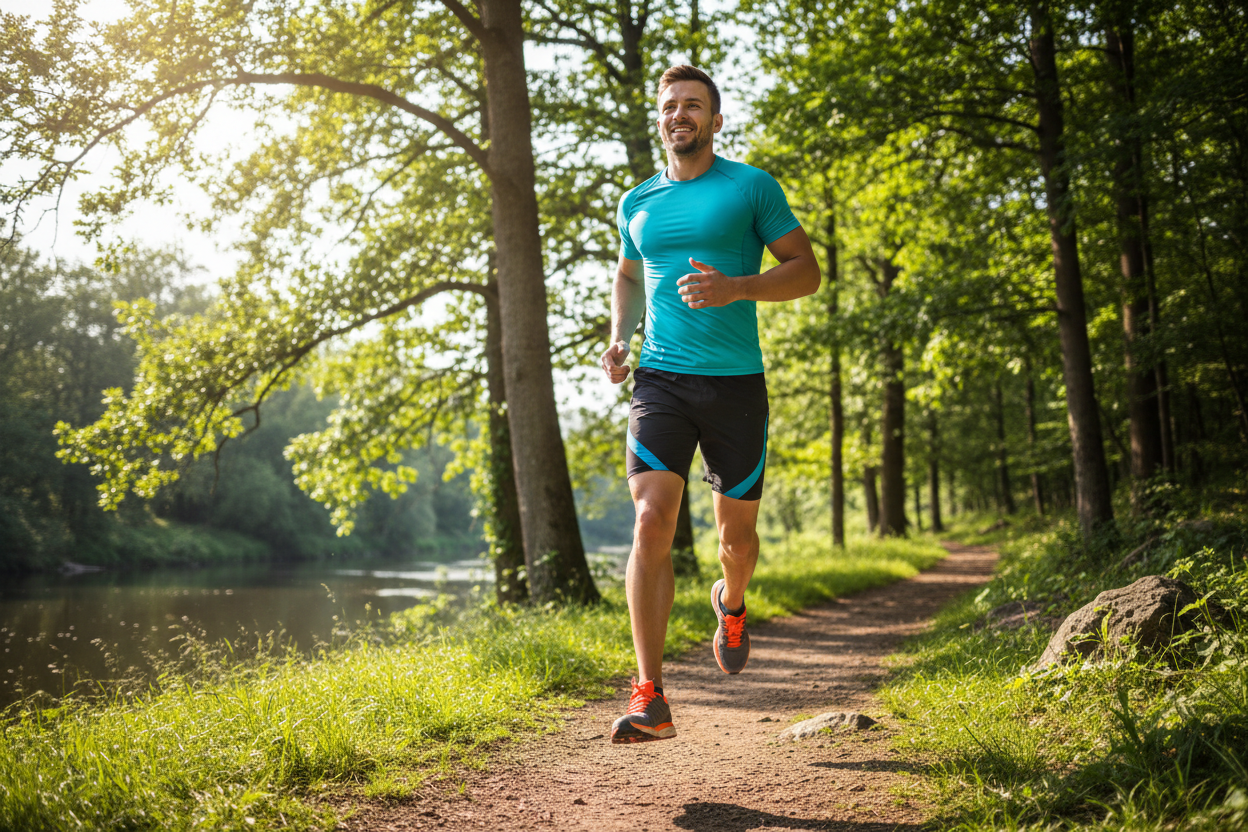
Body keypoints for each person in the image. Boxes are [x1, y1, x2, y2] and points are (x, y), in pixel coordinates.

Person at [600, 65, 821, 743]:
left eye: (692, 105)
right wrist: (618, 337)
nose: (679, 115)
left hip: (734, 386)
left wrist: (738, 289)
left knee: (736, 542)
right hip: (660, 381)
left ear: (715, 121)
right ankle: (650, 695)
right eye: (669, 106)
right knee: (649, 523)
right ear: (660, 119)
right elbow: (629, 274)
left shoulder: (750, 187)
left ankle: (731, 603)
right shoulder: (636, 200)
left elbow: (806, 272)